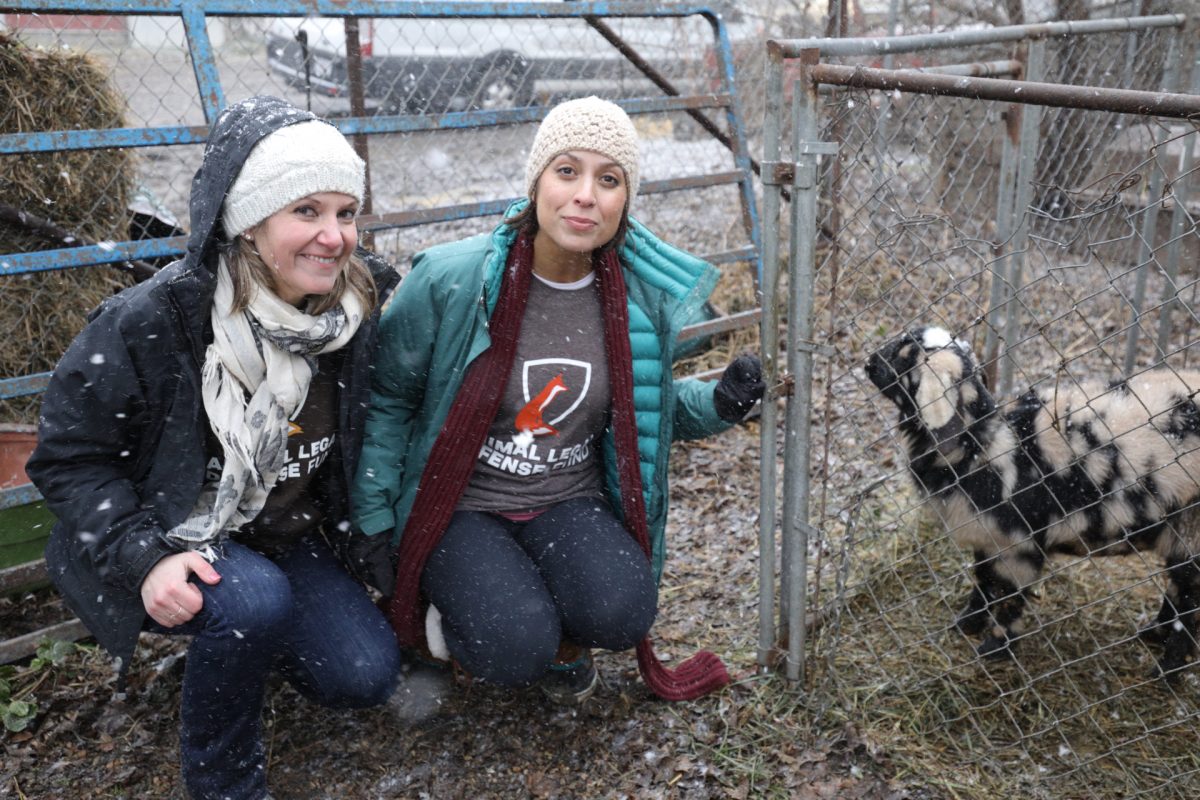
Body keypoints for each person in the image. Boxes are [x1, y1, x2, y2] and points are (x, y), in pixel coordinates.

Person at [27, 96, 402, 800]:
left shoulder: (361, 305)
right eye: (306, 212)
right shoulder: (155, 319)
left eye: (346, 213)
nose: (334, 237)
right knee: (250, 603)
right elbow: (68, 457)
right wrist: (145, 559)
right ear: (249, 222)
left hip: (289, 532)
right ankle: (222, 777)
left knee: (363, 676)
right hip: (177, 525)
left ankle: (246, 643)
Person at [350, 96, 764, 704]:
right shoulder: (452, 280)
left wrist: (721, 403)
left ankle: (550, 625)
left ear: (626, 200)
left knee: (622, 611)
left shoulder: (632, 299)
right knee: (514, 648)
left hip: (564, 496)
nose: (586, 195)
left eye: (609, 179)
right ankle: (456, 617)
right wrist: (373, 520)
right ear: (537, 181)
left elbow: (644, 409)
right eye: (567, 171)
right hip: (461, 504)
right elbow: (387, 402)